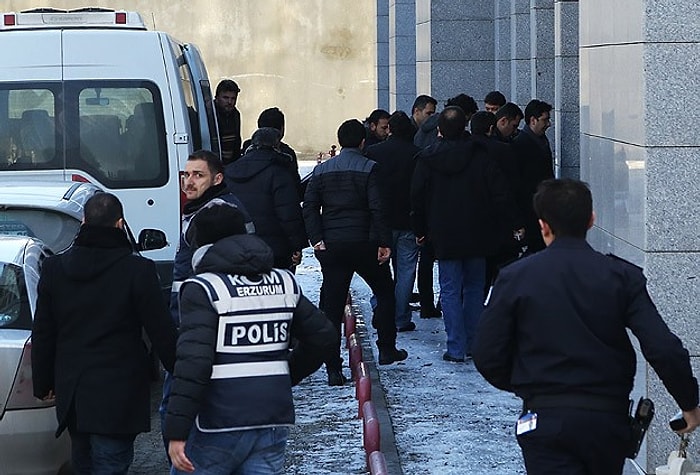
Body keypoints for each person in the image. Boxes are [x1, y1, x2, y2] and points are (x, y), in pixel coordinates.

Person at [473, 178, 700, 474]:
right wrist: (688, 403)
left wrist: (529, 384)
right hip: (606, 420)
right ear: (591, 220)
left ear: (543, 226)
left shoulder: (515, 277)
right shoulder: (622, 277)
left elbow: (486, 353)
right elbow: (663, 348)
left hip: (544, 418)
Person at [165, 202, 335, 475]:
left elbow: (193, 363)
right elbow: (324, 337)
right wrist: (285, 374)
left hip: (218, 421)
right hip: (271, 416)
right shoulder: (284, 282)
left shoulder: (204, 288)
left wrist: (176, 430)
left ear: (202, 245)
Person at [31, 193, 178, 475]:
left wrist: (43, 382)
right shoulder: (138, 270)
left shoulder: (55, 269)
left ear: (84, 221)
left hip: (74, 393)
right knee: (112, 465)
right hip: (119, 394)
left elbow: (44, 331)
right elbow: (160, 329)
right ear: (120, 224)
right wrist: (181, 374)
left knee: (83, 462)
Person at [303, 119, 408, 386]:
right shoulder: (371, 169)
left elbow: (310, 206)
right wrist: (384, 242)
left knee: (332, 306)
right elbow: (377, 208)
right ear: (363, 142)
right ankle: (386, 347)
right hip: (365, 244)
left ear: (339, 141)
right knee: (384, 291)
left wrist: (317, 239)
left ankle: (333, 368)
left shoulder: (321, 171)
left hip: (334, 246)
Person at [160, 149, 253, 452]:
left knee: (175, 405)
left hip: (200, 325)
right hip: (194, 321)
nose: (188, 181)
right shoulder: (203, 210)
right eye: (186, 175)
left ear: (217, 178)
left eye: (198, 175)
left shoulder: (215, 216)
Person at [411, 106, 511, 363]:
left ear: (440, 130)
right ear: (464, 127)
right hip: (478, 231)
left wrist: (421, 230)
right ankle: (473, 343)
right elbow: (499, 194)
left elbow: (418, 199)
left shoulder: (427, 159)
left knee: (450, 289)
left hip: (444, 233)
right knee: (475, 288)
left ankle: (455, 345)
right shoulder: (480, 156)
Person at [365, 111, 421, 332]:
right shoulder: (417, 154)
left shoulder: (374, 152)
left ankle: (381, 310)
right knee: (406, 271)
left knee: (380, 270)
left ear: (390, 129)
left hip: (381, 221)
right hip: (408, 219)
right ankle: (400, 316)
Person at [225, 127, 307, 270]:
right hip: (275, 250)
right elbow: (289, 214)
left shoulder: (230, 171)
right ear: (276, 146)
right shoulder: (280, 172)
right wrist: (297, 245)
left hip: (238, 247)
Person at [512, 99, 554, 254]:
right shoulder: (520, 144)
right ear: (533, 120)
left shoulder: (541, 141)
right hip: (530, 213)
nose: (548, 124)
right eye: (545, 120)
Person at [214, 79, 242, 165]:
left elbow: (237, 141)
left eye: (233, 98)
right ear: (217, 97)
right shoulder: (210, 113)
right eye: (225, 98)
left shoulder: (235, 114)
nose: (229, 102)